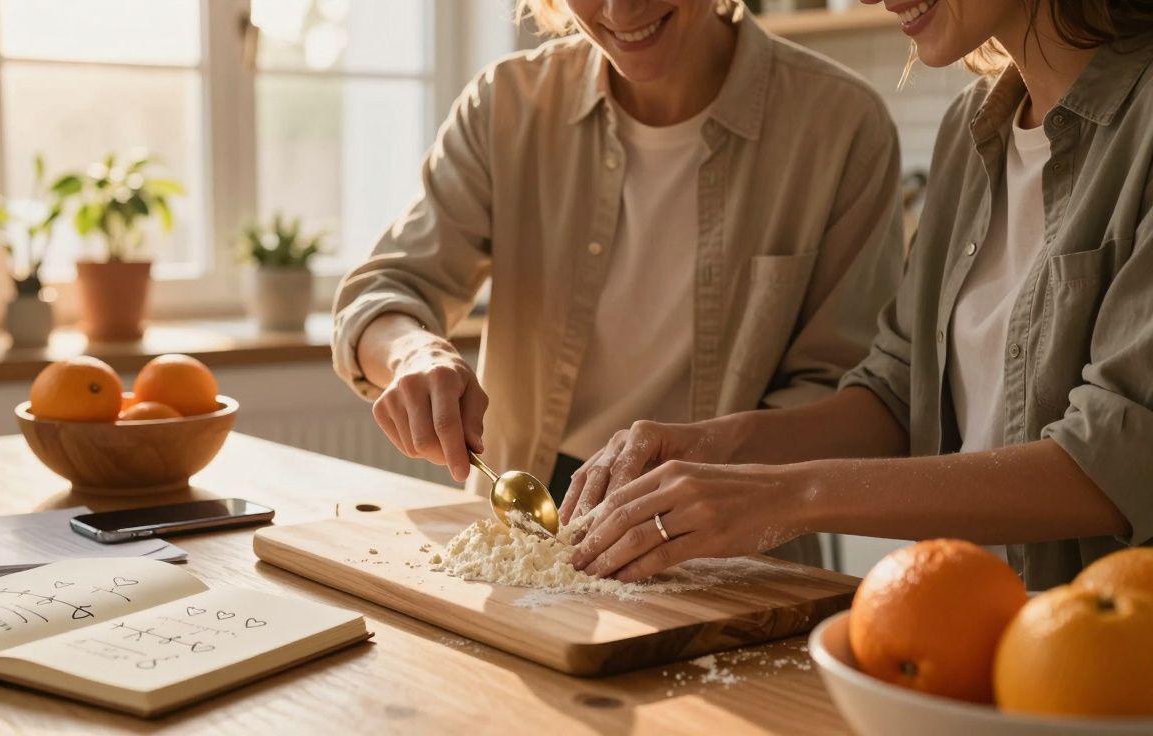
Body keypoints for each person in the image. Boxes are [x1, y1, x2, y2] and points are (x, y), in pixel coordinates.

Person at [566, 0, 1153, 588]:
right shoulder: (970, 128)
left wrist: (786, 496)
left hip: (1100, 659)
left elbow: (1113, 459)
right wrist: (708, 447)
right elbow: (898, 394)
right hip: (963, 637)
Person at [331, 0, 906, 564]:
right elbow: (385, 291)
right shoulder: (506, 103)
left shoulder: (841, 124)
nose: (620, 7)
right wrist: (414, 354)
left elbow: (862, 404)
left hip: (735, 539)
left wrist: (704, 459)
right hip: (522, 528)